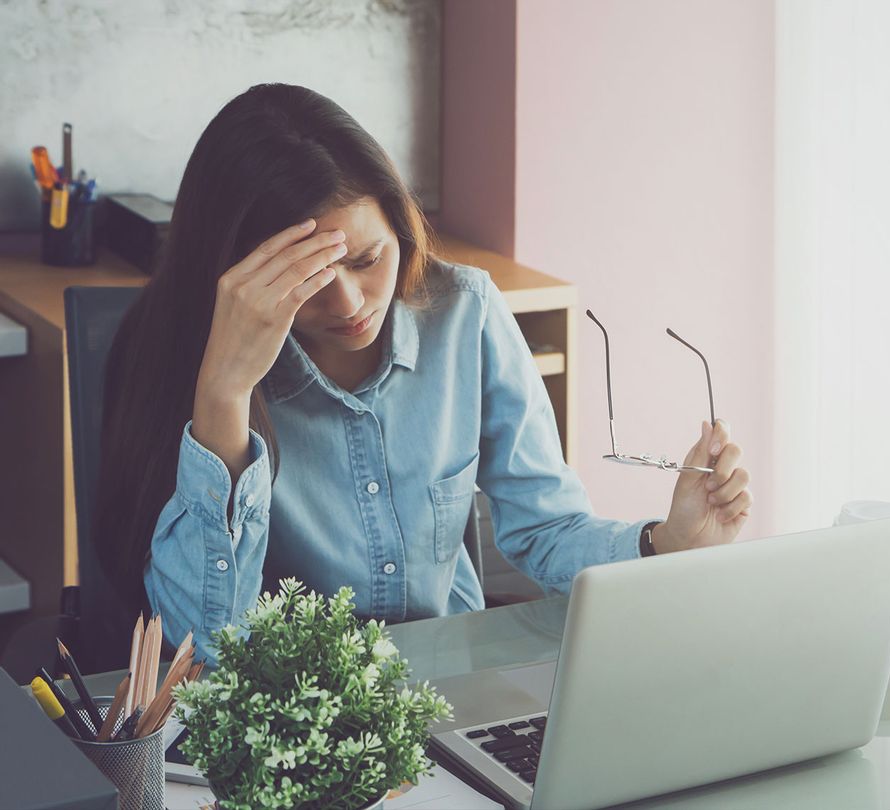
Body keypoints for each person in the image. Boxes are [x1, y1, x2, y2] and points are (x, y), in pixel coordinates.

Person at [93, 83, 753, 663]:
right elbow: (201, 655)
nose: (351, 305)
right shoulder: (181, 354)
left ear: (400, 227)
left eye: (368, 258)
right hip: (290, 729)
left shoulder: (464, 312)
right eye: (310, 281)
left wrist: (666, 543)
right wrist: (224, 395)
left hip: (456, 693)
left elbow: (546, 530)